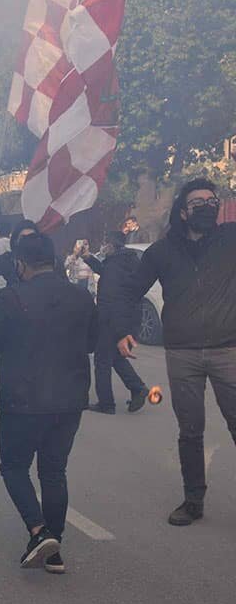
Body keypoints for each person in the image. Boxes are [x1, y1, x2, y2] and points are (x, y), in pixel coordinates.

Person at [117, 179, 236, 527]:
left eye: (212, 201)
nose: (207, 206)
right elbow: (131, 291)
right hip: (182, 354)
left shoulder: (231, 239)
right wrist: (122, 329)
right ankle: (193, 500)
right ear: (183, 211)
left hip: (228, 350)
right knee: (190, 430)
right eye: (198, 202)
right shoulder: (161, 252)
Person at [0, 232, 97, 574]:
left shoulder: (12, 296)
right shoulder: (81, 297)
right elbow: (91, 342)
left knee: (14, 467)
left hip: (23, 400)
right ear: (54, 260)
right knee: (54, 471)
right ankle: (54, 552)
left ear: (20, 264)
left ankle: (39, 531)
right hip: (69, 400)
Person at [0, 220, 41, 434]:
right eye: (22, 237)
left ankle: (37, 419)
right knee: (9, 377)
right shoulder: (9, 260)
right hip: (13, 323)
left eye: (31, 237)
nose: (27, 242)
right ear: (14, 240)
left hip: (40, 324)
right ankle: (6, 419)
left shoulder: (48, 261)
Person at [82, 230, 149, 415]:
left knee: (102, 360)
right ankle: (138, 388)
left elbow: (111, 299)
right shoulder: (125, 261)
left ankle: (106, 403)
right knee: (116, 357)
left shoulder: (115, 265)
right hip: (127, 318)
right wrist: (88, 258)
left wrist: (119, 330)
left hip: (112, 320)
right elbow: (105, 271)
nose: (103, 247)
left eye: (105, 243)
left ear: (111, 245)